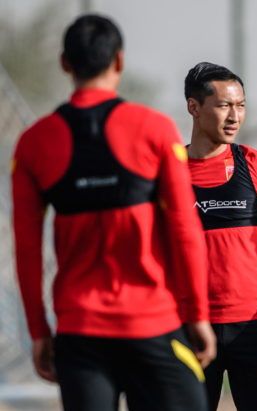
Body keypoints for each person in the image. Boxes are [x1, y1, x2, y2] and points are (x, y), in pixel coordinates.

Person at [11, 15, 215, 411]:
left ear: (65, 64)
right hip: (152, 326)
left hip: (79, 335)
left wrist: (38, 332)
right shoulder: (156, 129)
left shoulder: (33, 144)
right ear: (119, 60)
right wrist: (198, 315)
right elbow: (185, 229)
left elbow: (26, 247)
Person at [183, 62, 257, 411]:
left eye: (241, 105)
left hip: (254, 325)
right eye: (224, 105)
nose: (235, 116)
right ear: (194, 107)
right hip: (188, 326)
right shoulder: (168, 171)